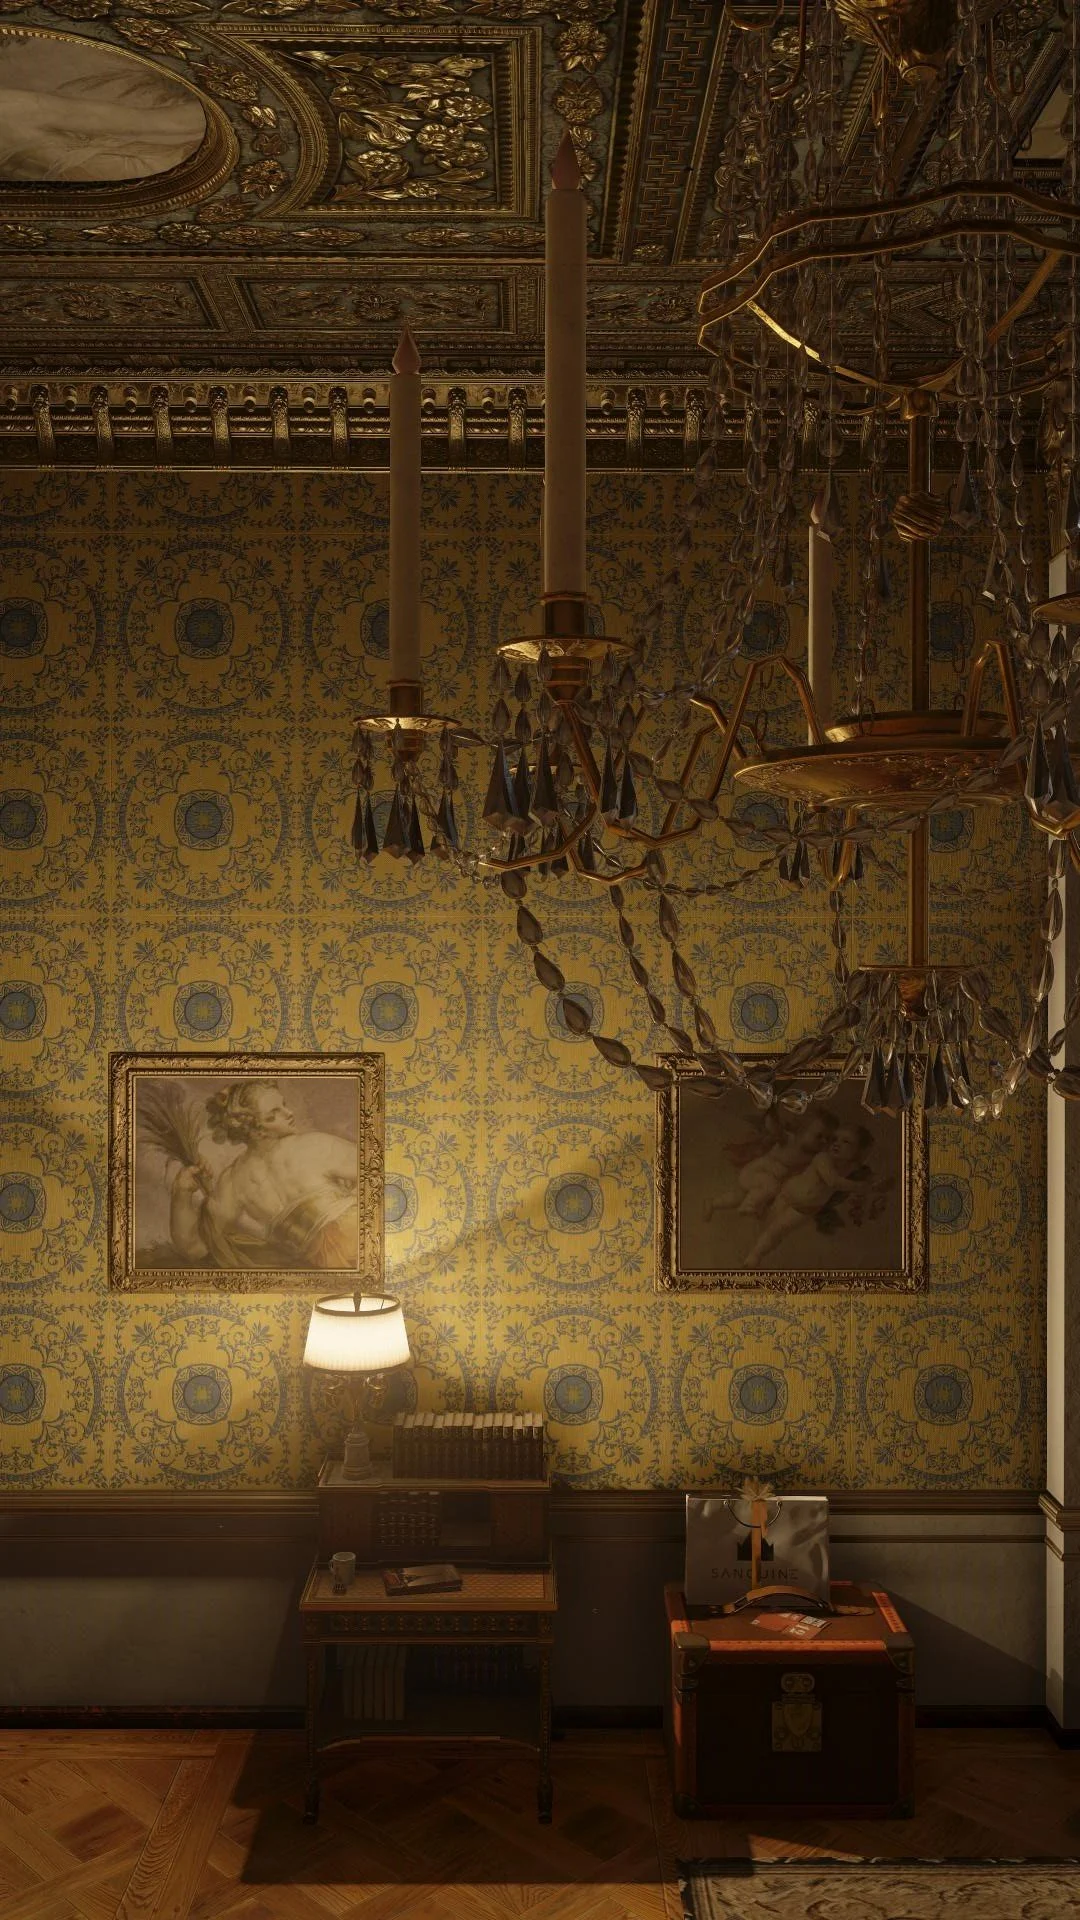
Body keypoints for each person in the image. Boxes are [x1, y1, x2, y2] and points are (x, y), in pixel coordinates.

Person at [168, 1080, 358, 1270]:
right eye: (273, 1115)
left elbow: (194, 1248)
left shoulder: (233, 1181)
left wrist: (180, 1194)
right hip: (330, 1261)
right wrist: (182, 1193)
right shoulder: (313, 1145)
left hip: (352, 1241)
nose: (289, 1113)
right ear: (254, 1131)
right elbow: (195, 1249)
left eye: (284, 1105)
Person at [743, 1121, 877, 1266]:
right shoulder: (823, 1158)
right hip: (787, 1194)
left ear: (857, 1152)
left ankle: (756, 1254)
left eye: (846, 1142)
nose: (837, 1143)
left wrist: (871, 1186)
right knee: (768, 1222)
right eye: (835, 1139)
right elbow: (833, 1181)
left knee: (778, 1229)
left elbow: (866, 1165)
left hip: (805, 1209)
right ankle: (755, 1243)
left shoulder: (852, 1166)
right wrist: (859, 1186)